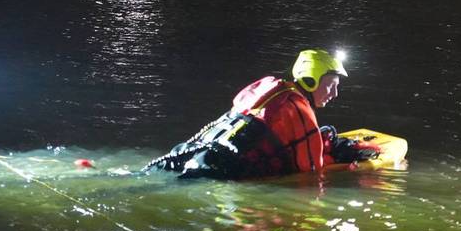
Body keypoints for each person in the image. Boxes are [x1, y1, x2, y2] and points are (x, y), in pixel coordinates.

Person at [144, 49, 380, 180]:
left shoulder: (270, 87)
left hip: (189, 153)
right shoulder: (299, 109)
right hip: (224, 174)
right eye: (330, 85)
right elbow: (310, 172)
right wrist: (342, 159)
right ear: (310, 80)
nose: (335, 93)